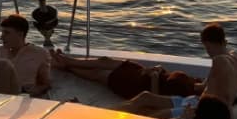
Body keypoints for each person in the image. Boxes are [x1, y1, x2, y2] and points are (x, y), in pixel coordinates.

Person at [118, 23, 237, 119]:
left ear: (209, 44)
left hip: (201, 109)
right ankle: (109, 115)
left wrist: (184, 85)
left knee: (154, 114)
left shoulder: (219, 61)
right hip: (195, 101)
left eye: (206, 48)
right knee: (146, 96)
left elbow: (204, 92)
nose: (207, 52)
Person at [51, 51, 199, 100]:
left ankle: (67, 67)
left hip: (137, 86)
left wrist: (154, 78)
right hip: (141, 71)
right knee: (104, 60)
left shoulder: (186, 96)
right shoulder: (195, 81)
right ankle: (69, 60)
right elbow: (167, 74)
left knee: (98, 75)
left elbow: (155, 99)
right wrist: (158, 69)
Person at [0, 14, 51, 97]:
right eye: (2, 32)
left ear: (20, 34)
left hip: (15, 95)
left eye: (7, 33)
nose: (1, 37)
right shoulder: (1, 50)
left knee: (3, 64)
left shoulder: (39, 53)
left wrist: (29, 95)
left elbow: (45, 84)